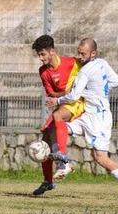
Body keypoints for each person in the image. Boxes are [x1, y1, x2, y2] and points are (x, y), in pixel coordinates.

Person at [46, 38, 118, 201]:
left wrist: (57, 101)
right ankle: (63, 164)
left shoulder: (85, 71)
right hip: (87, 116)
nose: (80, 57)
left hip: (100, 119)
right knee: (57, 126)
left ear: (93, 53)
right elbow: (117, 81)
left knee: (100, 158)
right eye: (79, 53)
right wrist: (100, 90)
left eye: (83, 54)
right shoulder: (102, 63)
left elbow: (74, 96)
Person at [31, 35, 85, 196]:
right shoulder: (43, 72)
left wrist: (73, 92)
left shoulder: (71, 63)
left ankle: (63, 160)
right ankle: (48, 182)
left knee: (57, 117)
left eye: (42, 54)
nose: (40, 58)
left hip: (78, 103)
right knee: (45, 140)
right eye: (39, 55)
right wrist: (65, 93)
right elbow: (52, 95)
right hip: (63, 104)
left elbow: (89, 69)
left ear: (52, 51)